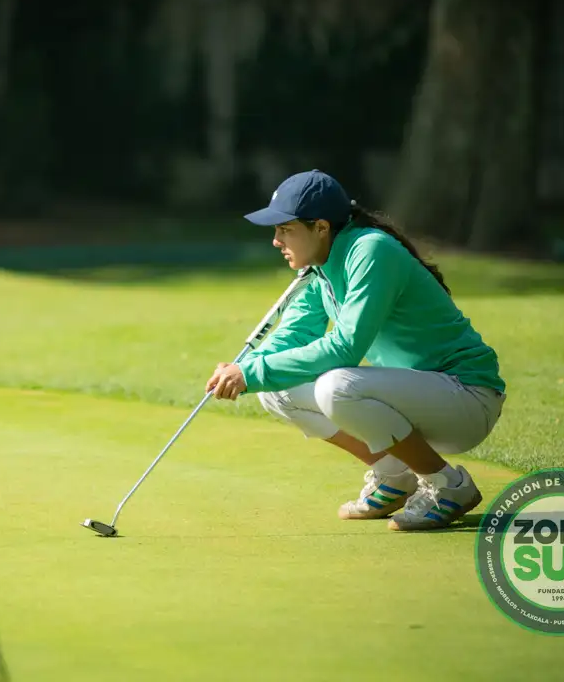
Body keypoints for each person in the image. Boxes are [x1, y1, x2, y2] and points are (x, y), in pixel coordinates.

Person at [205, 170, 505, 531]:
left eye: (285, 230)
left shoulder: (371, 250)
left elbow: (345, 347)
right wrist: (245, 368)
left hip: (466, 397)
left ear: (320, 227)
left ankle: (448, 486)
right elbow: (293, 334)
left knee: (336, 387)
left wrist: (251, 372)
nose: (276, 241)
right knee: (276, 388)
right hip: (422, 397)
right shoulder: (321, 268)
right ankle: (394, 476)